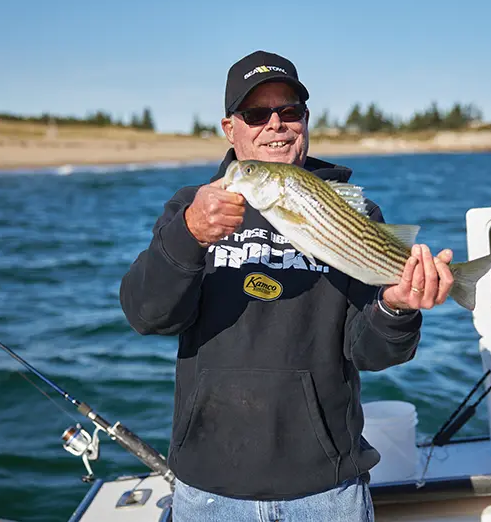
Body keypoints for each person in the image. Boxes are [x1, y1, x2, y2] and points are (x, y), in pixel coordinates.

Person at [119, 50, 455, 522]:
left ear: (305, 121)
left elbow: (372, 354)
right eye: (256, 114)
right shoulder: (190, 208)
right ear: (229, 128)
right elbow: (147, 315)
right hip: (210, 487)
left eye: (289, 111)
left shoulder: (357, 213)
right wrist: (189, 234)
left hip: (327, 488)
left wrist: (397, 307)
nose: (275, 124)